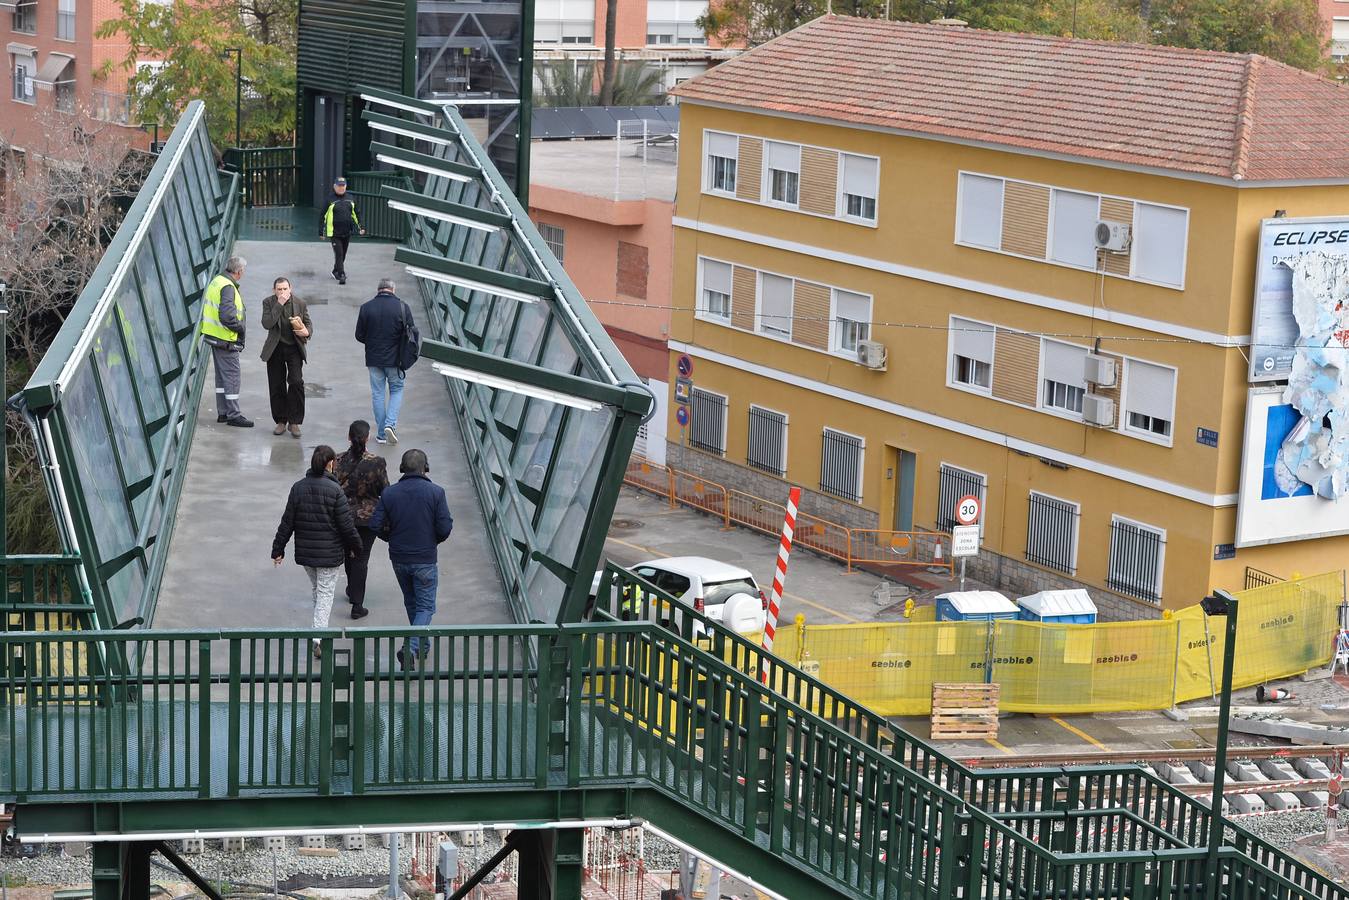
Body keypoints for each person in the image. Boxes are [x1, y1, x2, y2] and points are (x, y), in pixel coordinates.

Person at [272, 445, 363, 658]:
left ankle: (317, 628)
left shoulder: (298, 488)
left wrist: (278, 549)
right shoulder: (335, 491)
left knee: (317, 590)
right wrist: (357, 548)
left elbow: (287, 521)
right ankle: (318, 637)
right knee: (325, 594)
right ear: (330, 464)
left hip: (306, 555)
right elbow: (346, 526)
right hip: (329, 555)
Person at [369, 449, 453, 670]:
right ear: (426, 468)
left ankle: (420, 648)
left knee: (411, 602)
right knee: (425, 607)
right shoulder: (436, 493)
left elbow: (375, 525)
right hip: (425, 557)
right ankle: (412, 647)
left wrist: (391, 538)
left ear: (402, 468)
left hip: (399, 557)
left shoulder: (390, 493)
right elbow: (445, 527)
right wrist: (432, 540)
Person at [335, 420, 389, 619]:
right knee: (361, 557)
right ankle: (357, 604)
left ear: (349, 437)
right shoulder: (377, 462)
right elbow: (385, 490)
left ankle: (352, 588)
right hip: (367, 519)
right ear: (367, 438)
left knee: (349, 553)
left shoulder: (338, 460)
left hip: (342, 517)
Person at [355, 277, 410, 444]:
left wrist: (372, 343)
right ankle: (390, 425)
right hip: (395, 360)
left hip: (373, 359)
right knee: (397, 389)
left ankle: (381, 434)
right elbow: (410, 334)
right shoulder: (402, 307)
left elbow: (359, 335)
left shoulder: (366, 308)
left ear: (378, 290)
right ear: (393, 290)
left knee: (378, 394)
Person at [201, 256, 253, 427]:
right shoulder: (228, 287)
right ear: (239, 271)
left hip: (215, 336)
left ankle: (223, 412)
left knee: (222, 377)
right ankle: (233, 415)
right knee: (231, 377)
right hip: (225, 339)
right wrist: (241, 327)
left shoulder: (218, 280)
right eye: (243, 271)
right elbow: (227, 316)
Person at [260, 277, 313, 438]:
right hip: (275, 348)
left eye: (285, 289)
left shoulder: (300, 303)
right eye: (279, 289)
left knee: (296, 382)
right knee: (277, 385)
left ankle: (294, 421)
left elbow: (308, 323)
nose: (282, 292)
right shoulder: (269, 302)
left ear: (290, 288)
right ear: (274, 290)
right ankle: (281, 421)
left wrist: (307, 332)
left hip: (293, 348)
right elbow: (267, 323)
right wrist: (279, 304)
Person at [320, 176, 365, 285]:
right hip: (334, 233)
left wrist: (361, 227)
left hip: (347, 232)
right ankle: (342, 274)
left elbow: (356, 214)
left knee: (343, 254)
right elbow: (323, 216)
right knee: (339, 253)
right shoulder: (330, 200)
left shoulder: (351, 198)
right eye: (339, 186)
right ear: (334, 186)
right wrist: (321, 231)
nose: (341, 188)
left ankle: (335, 270)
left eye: (343, 186)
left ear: (346, 186)